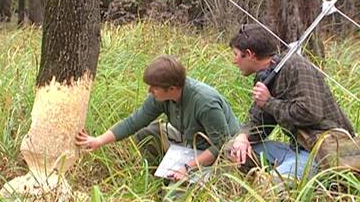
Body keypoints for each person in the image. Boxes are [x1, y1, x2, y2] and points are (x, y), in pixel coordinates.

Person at [76, 55, 240, 181]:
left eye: (154, 87)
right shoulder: (162, 97)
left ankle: (180, 179)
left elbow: (220, 145)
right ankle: (161, 176)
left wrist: (186, 168)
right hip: (190, 142)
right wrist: (98, 141)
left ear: (172, 88)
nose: (150, 91)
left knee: (175, 197)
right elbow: (135, 122)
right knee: (146, 133)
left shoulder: (205, 103)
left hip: (220, 152)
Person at [226, 24, 357, 181]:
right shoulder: (266, 76)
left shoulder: (295, 67)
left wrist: (269, 102)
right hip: (296, 149)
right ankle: (268, 178)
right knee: (232, 149)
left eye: (236, 55)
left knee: (272, 186)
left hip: (322, 152)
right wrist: (243, 137)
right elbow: (259, 122)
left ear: (249, 54)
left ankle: (296, 184)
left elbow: (311, 113)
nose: (234, 61)